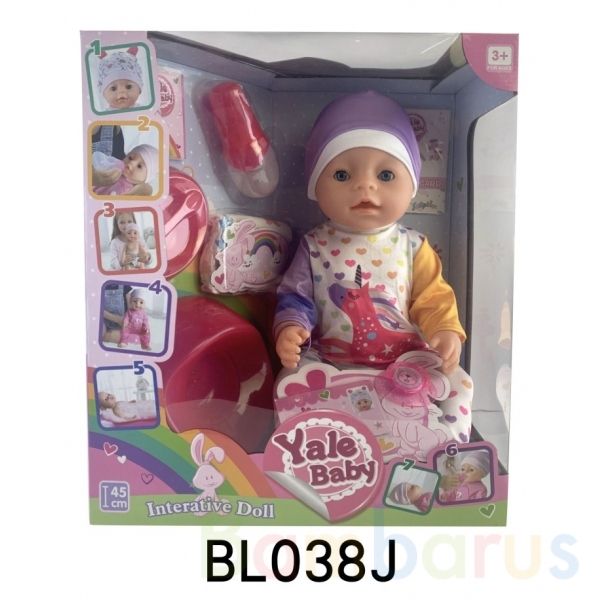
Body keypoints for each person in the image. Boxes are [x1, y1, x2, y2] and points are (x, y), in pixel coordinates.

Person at [274, 91, 466, 375]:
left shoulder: (413, 247)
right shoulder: (314, 246)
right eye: (342, 175)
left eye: (385, 175)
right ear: (316, 186)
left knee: (450, 387)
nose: (365, 186)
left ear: (412, 186)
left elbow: (433, 298)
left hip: (406, 366)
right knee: (291, 381)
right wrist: (292, 326)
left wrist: (444, 329)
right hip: (330, 365)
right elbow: (297, 295)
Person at [93, 144, 158, 197]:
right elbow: (97, 161)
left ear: (147, 178)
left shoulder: (134, 192)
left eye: (139, 166)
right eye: (130, 158)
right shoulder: (115, 166)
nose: (130, 163)